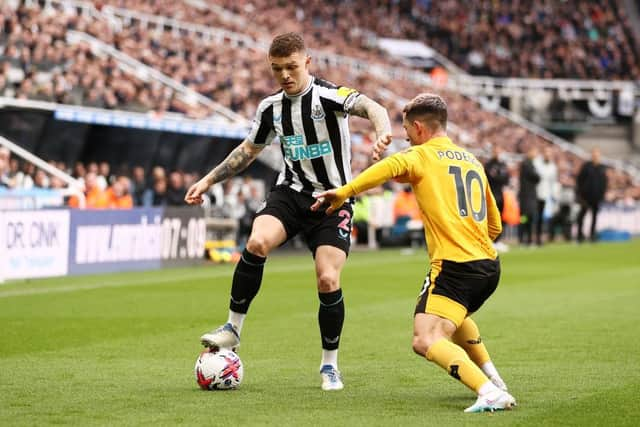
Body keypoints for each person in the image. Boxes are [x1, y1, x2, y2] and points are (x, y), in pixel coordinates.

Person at [184, 32, 392, 391]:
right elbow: (247, 152)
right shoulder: (271, 108)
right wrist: (207, 181)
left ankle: (329, 365)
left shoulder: (329, 96)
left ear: (307, 62)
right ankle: (233, 327)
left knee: (327, 278)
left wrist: (382, 134)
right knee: (257, 243)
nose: (284, 75)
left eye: (291, 67)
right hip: (290, 194)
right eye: (277, 69)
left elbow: (375, 109)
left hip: (333, 200)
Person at [311, 93, 515, 413]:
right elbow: (495, 226)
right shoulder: (471, 160)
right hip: (488, 265)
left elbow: (392, 166)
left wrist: (344, 192)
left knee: (425, 339)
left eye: (407, 133)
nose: (406, 140)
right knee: (454, 317)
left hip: (454, 266)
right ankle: (493, 378)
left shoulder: (421, 156)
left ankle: (488, 391)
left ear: (419, 128)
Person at [575, 148, 607, 242]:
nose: (595, 156)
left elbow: (604, 182)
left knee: (594, 216)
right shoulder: (586, 166)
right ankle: (579, 236)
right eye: (594, 154)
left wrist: (602, 194)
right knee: (582, 215)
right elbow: (579, 180)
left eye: (597, 155)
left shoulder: (602, 167)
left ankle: (592, 235)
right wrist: (580, 194)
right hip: (585, 196)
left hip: (596, 197)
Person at [484, 145, 510, 251]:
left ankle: (498, 240)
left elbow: (506, 179)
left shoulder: (503, 164)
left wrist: (498, 176)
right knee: (490, 218)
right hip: (491, 194)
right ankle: (489, 240)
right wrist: (499, 177)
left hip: (501, 194)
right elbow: (490, 177)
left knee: (501, 218)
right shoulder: (489, 165)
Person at [533, 146, 558, 245]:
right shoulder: (536, 163)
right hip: (535, 193)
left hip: (545, 194)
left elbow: (553, 182)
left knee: (541, 217)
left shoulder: (553, 167)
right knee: (532, 216)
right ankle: (529, 238)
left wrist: (553, 195)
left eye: (549, 153)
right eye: (546, 152)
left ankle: (539, 238)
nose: (548, 154)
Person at [517, 147, 540, 246]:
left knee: (527, 217)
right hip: (527, 196)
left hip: (528, 195)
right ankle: (523, 238)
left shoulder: (529, 164)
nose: (535, 154)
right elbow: (536, 177)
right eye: (534, 151)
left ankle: (527, 239)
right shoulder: (527, 164)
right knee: (525, 217)